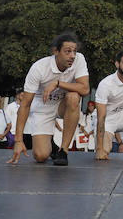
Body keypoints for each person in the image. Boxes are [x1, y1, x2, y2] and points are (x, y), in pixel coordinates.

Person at [8, 33, 90, 166]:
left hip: (63, 103)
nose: (72, 56)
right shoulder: (39, 68)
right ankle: (51, 144)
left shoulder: (79, 59)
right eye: (68, 52)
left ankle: (63, 151)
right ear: (56, 51)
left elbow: (85, 89)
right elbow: (25, 105)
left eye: (74, 51)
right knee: (40, 156)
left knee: (74, 97)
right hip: (43, 107)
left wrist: (58, 83)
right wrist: (18, 140)